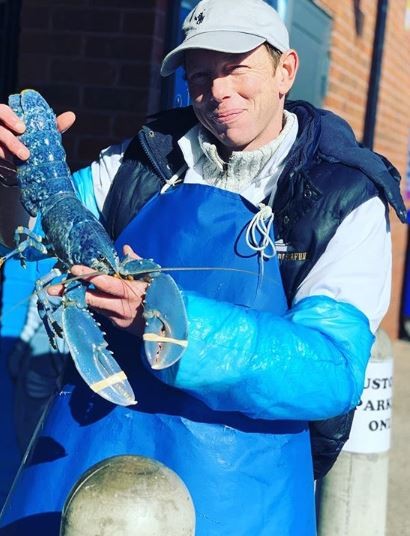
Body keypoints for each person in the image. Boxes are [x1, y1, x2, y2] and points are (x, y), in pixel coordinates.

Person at [0, 0, 406, 534]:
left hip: (238, 493)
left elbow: (330, 371)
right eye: (199, 75)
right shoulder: (134, 164)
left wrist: (167, 323)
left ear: (285, 71)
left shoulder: (344, 198)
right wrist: (13, 179)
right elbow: (32, 231)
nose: (217, 91)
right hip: (86, 460)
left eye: (237, 68)